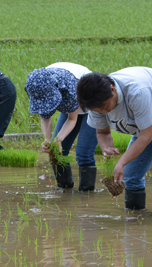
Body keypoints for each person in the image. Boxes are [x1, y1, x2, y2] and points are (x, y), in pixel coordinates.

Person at [76, 67, 152, 216]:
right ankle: (135, 221)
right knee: (130, 177)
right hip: (144, 126)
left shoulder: (137, 92)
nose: (104, 112)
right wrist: (106, 148)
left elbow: (146, 136)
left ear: (112, 90)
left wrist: (121, 162)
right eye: (99, 110)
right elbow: (102, 132)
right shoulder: (96, 101)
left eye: (105, 106)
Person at [25, 62, 98, 192]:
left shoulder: (70, 86)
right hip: (69, 103)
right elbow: (45, 117)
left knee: (84, 153)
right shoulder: (37, 85)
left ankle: (87, 195)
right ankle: (65, 190)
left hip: (91, 102)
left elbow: (72, 119)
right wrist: (48, 140)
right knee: (56, 150)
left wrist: (58, 140)